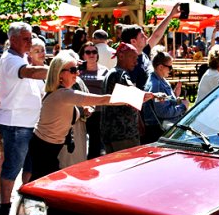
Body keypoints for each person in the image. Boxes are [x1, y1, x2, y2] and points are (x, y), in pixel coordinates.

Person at [28, 51, 154, 180]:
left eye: (77, 69)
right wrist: (135, 97)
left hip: (49, 146)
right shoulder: (63, 94)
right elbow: (101, 99)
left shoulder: (64, 93)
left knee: (44, 184)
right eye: (72, 70)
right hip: (44, 147)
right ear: (60, 74)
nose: (77, 73)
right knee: (40, 185)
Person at [0, 22, 49, 215]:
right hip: (16, 123)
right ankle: (4, 207)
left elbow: (36, 85)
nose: (30, 42)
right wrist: (58, 70)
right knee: (13, 166)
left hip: (29, 122)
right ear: (13, 40)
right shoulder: (10, 60)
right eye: (26, 39)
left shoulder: (22, 58)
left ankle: (25, 204)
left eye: (30, 38)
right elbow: (32, 73)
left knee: (29, 167)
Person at [120, 3, 181, 89]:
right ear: (133, 41)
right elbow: (132, 92)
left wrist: (171, 14)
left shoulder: (143, 52)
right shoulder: (130, 63)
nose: (146, 37)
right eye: (142, 36)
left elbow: (156, 35)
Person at [100, 43, 144, 153]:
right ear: (121, 57)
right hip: (124, 135)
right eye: (133, 58)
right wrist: (152, 95)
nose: (136, 62)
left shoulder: (110, 73)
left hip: (110, 134)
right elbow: (134, 95)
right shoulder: (121, 74)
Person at [142, 51, 190, 143]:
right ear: (161, 67)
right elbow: (163, 112)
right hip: (159, 132)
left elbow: (164, 105)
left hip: (161, 130)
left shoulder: (160, 80)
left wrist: (175, 96)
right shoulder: (157, 85)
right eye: (170, 67)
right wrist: (183, 107)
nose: (171, 70)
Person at [78, 41, 108, 159]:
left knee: (95, 144)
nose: (92, 54)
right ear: (83, 55)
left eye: (94, 52)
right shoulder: (77, 70)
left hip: (98, 112)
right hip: (80, 111)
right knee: (79, 142)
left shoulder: (104, 70)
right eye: (88, 52)